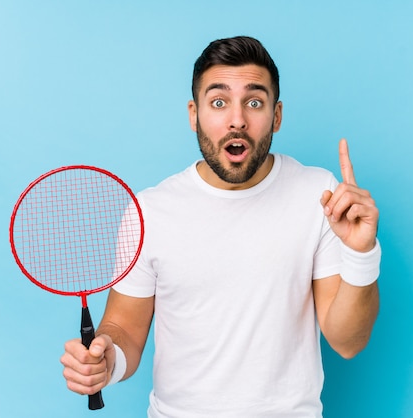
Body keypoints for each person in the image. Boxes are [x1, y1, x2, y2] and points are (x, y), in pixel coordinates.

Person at [60, 36, 381, 417]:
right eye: (218, 102)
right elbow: (124, 329)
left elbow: (348, 341)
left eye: (254, 102)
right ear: (194, 114)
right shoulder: (151, 210)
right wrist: (105, 360)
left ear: (276, 116)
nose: (237, 119)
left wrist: (361, 253)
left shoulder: (321, 195)